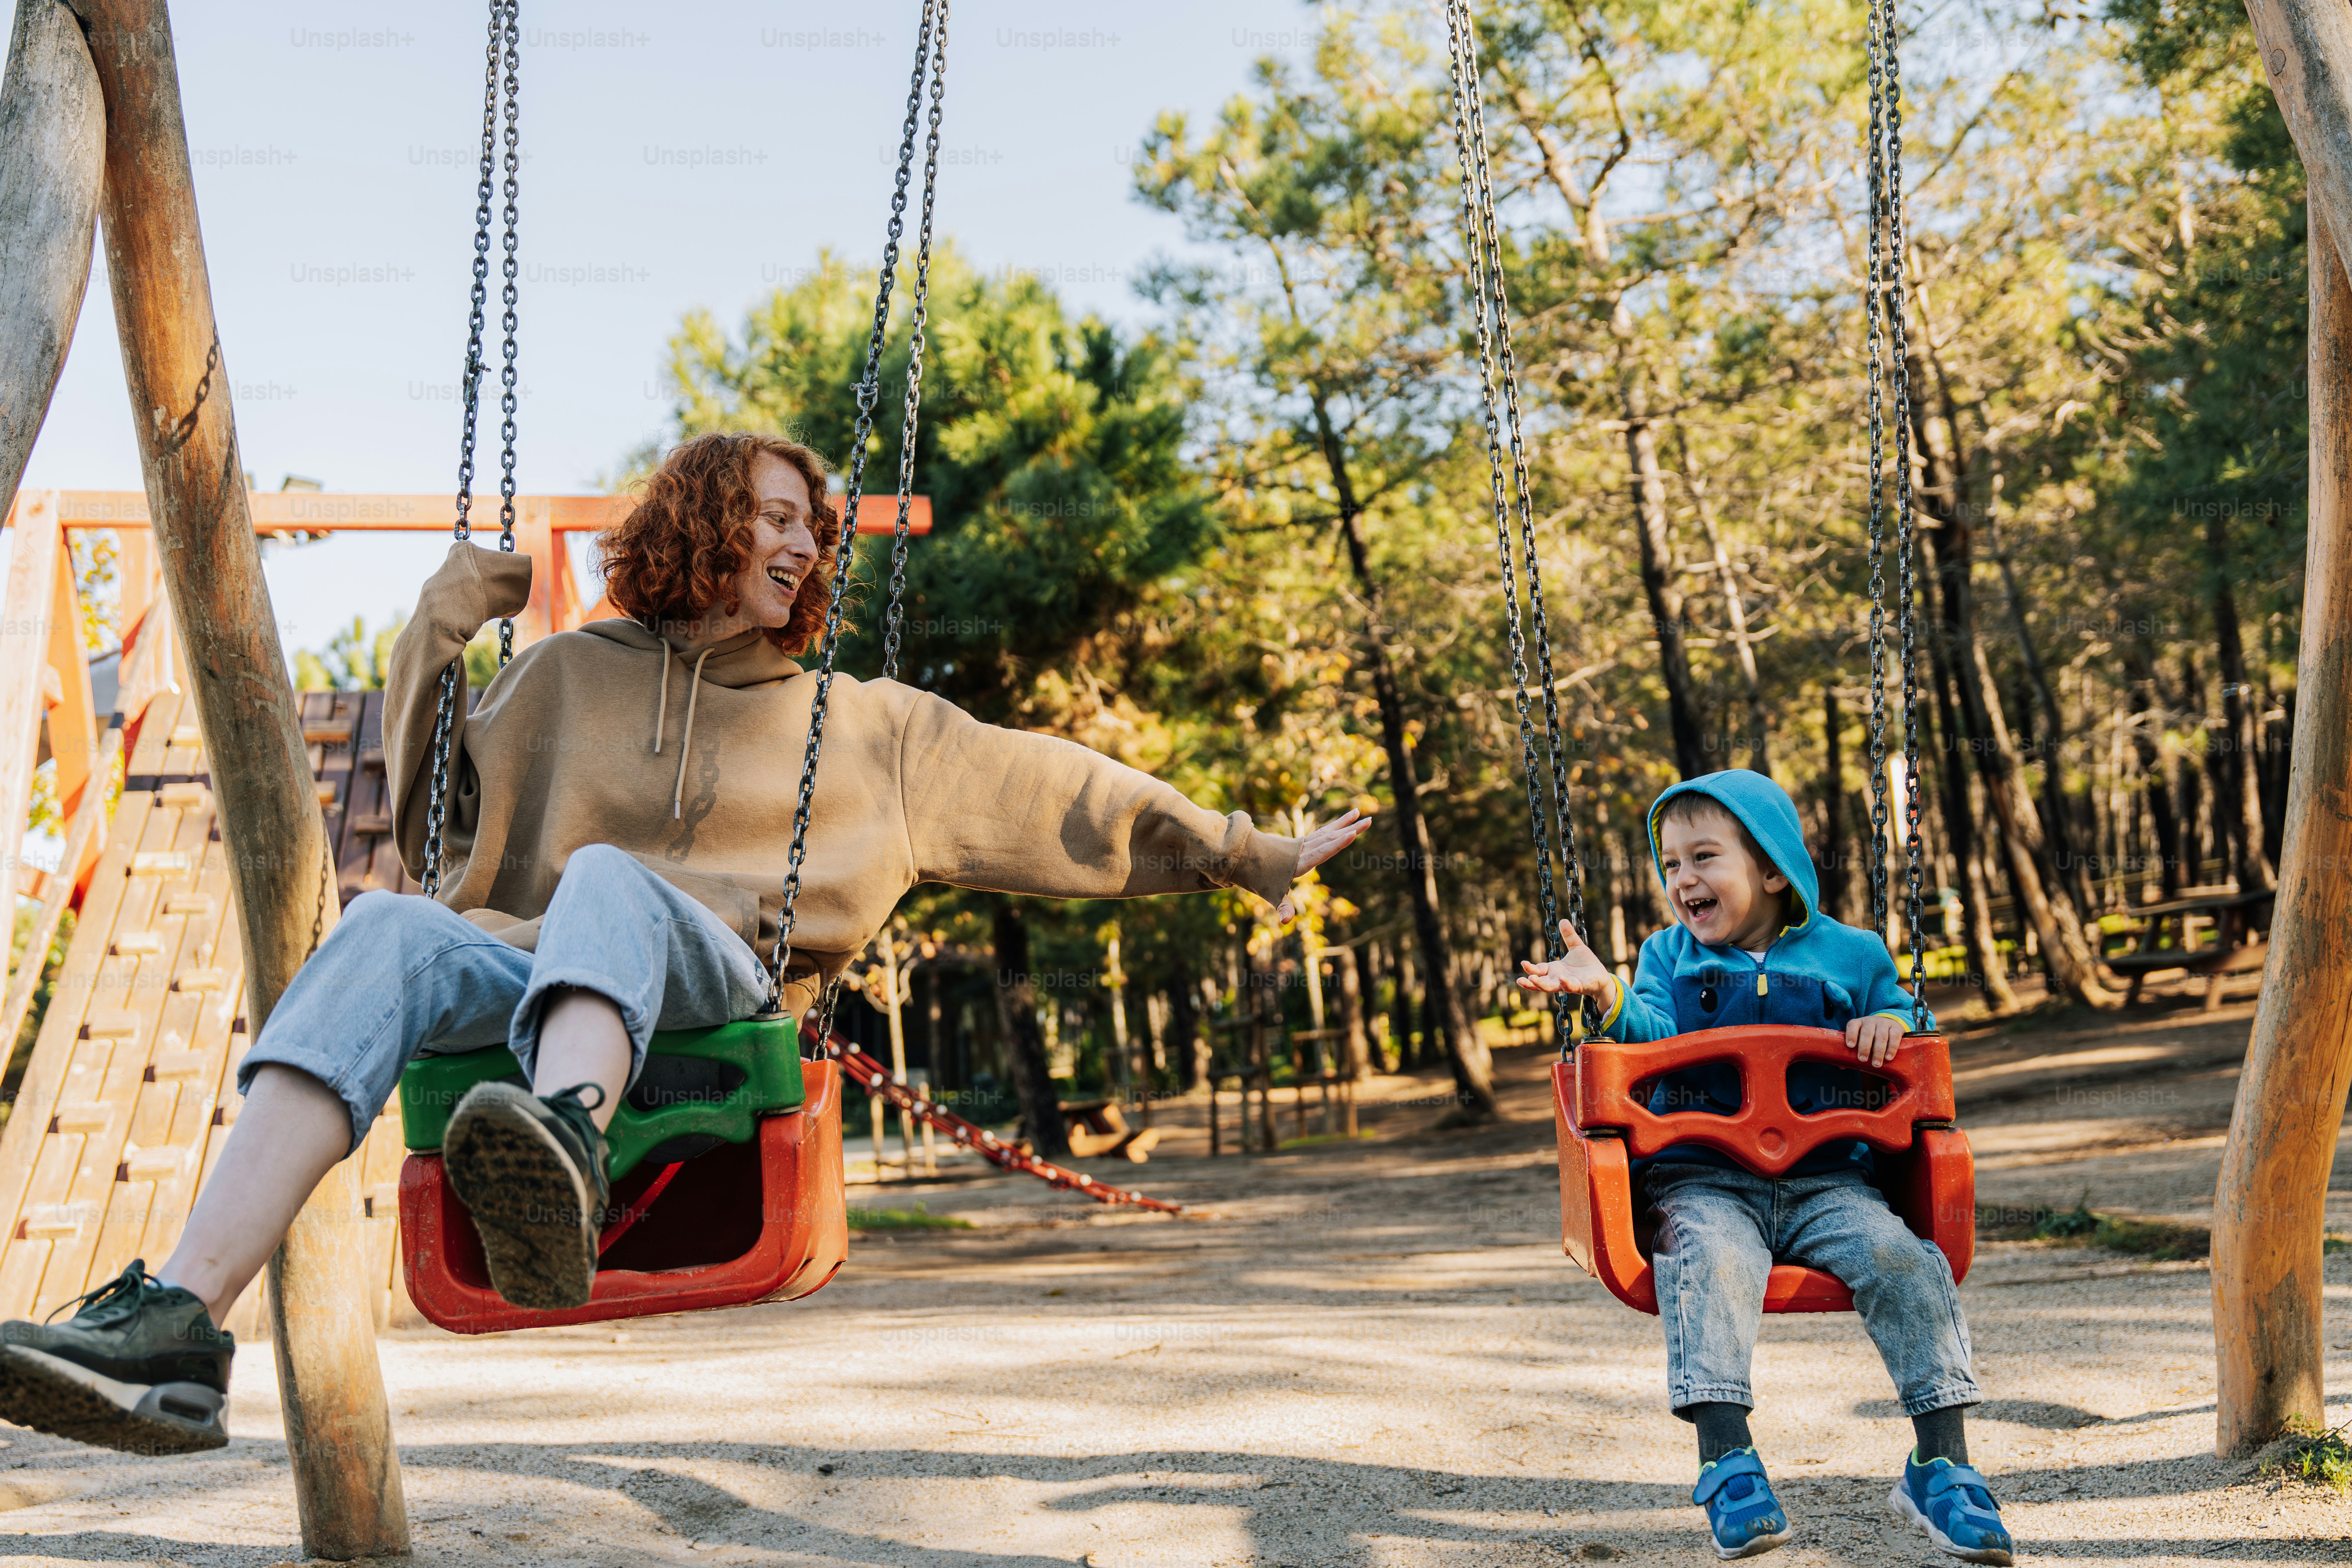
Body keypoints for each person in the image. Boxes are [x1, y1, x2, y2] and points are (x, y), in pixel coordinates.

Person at [0, 431, 1369, 1456]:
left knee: (613, 877)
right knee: (393, 929)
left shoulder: (869, 724)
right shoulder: (556, 674)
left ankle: (561, 1147)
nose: (801, 544)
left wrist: (1243, 849)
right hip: (535, 969)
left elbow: (1058, 789)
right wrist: (434, 627)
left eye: (812, 528)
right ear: (702, 522)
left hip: (721, 981)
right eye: (773, 516)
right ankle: (178, 1325)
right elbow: (417, 814)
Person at [1519, 771, 2012, 1565]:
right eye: (1671, 863)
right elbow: (1645, 1032)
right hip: (1705, 1179)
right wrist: (1606, 991)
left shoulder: (1851, 953)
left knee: (1902, 1259)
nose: (1683, 880)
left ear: (1773, 867)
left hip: (1828, 1181)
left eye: (1704, 857)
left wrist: (1887, 1022)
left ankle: (1942, 1463)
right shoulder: (1665, 956)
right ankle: (1727, 1461)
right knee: (1709, 1260)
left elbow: (1907, 1020)